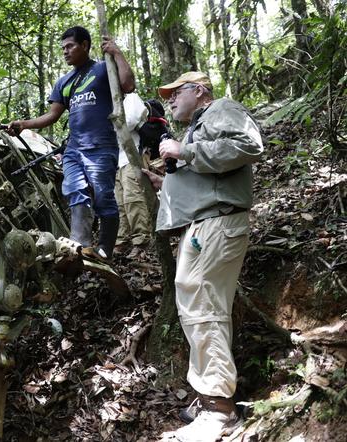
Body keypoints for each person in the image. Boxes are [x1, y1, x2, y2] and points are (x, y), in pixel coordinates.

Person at [142, 72, 264, 442]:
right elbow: (208, 176)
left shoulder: (221, 109)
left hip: (219, 222)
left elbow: (248, 145)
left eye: (176, 93)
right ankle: (211, 394)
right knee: (198, 300)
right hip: (204, 225)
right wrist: (170, 184)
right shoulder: (199, 126)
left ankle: (218, 408)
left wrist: (185, 152)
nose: (170, 100)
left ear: (199, 90)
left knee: (202, 299)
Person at [7, 26, 135, 261]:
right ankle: (80, 247)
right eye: (63, 48)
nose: (65, 52)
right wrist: (24, 124)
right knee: (75, 192)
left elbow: (128, 85)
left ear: (85, 45)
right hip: (74, 149)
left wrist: (116, 53)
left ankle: (106, 250)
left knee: (103, 195)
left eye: (70, 46)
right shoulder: (64, 81)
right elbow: (52, 116)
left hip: (101, 145)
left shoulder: (102, 68)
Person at [114, 95, 169, 257]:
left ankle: (141, 241)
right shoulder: (107, 105)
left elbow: (129, 121)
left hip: (134, 156)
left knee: (133, 199)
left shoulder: (130, 98)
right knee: (120, 203)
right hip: (117, 161)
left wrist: (108, 123)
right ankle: (122, 241)